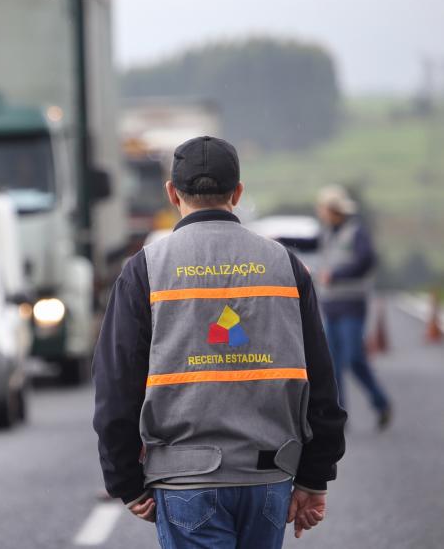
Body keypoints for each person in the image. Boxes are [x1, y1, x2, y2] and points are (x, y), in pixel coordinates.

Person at [92, 136, 347, 548]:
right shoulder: (286, 267)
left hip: (184, 478)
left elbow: (116, 382)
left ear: (172, 193)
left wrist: (126, 481)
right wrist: (315, 477)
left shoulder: (146, 269)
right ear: (238, 193)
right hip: (269, 476)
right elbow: (319, 378)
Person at [316, 185, 392, 429]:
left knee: (354, 358)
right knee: (333, 364)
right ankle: (339, 416)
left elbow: (366, 259)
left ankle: (381, 403)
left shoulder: (356, 232)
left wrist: (336, 274)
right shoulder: (327, 233)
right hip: (331, 306)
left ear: (333, 210)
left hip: (351, 305)